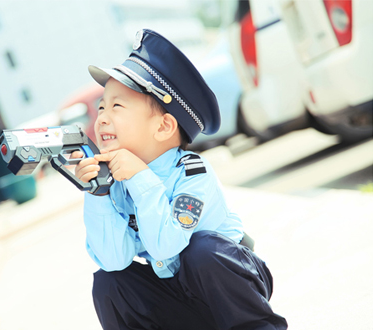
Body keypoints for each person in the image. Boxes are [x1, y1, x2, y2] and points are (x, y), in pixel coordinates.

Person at [72, 29, 287, 330]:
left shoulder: (192, 173)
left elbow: (166, 247)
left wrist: (140, 177)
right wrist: (97, 191)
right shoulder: (116, 183)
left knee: (201, 251)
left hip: (230, 289)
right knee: (110, 282)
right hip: (179, 298)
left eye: (117, 107)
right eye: (102, 107)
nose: (103, 118)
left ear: (163, 127)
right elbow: (113, 260)